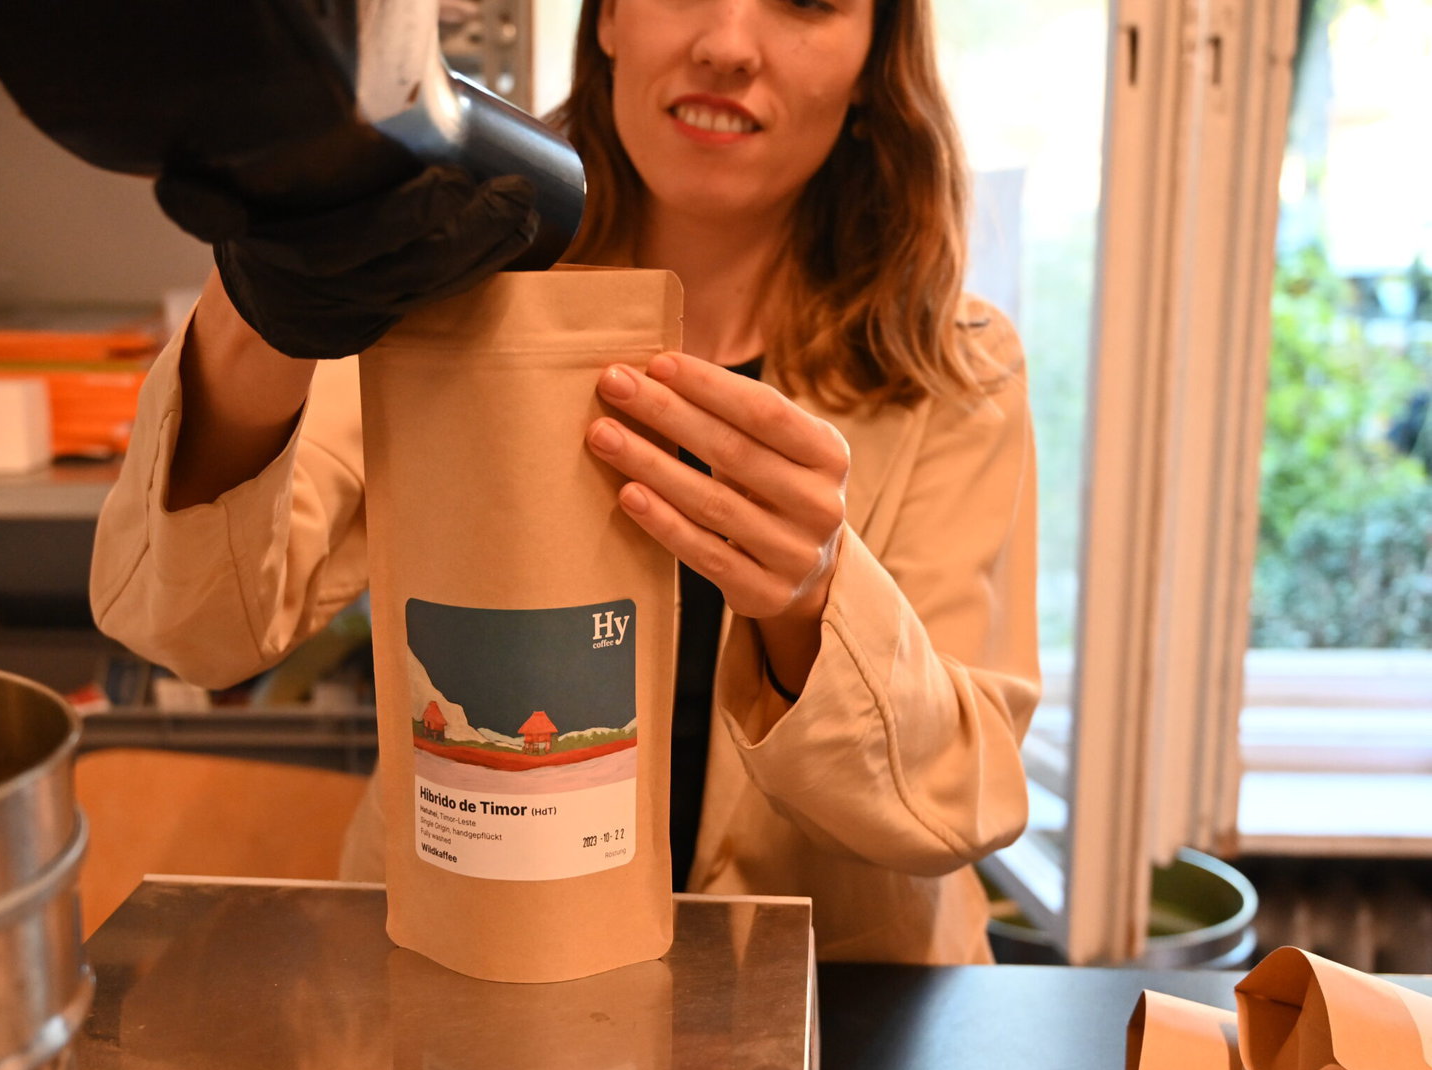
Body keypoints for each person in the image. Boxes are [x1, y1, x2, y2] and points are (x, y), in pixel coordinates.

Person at [90, 0, 1040, 965]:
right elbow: (192, 629)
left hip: (844, 1019)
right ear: (610, 20)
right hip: (473, 981)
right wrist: (263, 304)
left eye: (803, 2)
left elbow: (964, 798)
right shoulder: (437, 288)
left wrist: (814, 605)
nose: (726, 44)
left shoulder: (956, 371)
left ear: (874, 53)